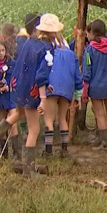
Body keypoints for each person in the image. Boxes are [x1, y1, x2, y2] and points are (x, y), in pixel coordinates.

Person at [0, 16, 46, 164]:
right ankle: (27, 166)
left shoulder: (25, 44)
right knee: (33, 127)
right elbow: (40, 73)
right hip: (30, 89)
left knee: (17, 113)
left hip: (19, 87)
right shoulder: (38, 47)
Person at [35, 20, 82, 158]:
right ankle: (64, 149)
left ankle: (48, 150)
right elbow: (77, 76)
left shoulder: (48, 52)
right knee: (62, 118)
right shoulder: (71, 54)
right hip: (67, 88)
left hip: (51, 87)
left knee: (48, 119)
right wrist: (78, 95)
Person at [82, 20, 107, 148]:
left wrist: (85, 87)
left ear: (93, 33)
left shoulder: (89, 50)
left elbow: (87, 71)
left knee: (99, 114)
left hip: (95, 86)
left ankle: (104, 143)